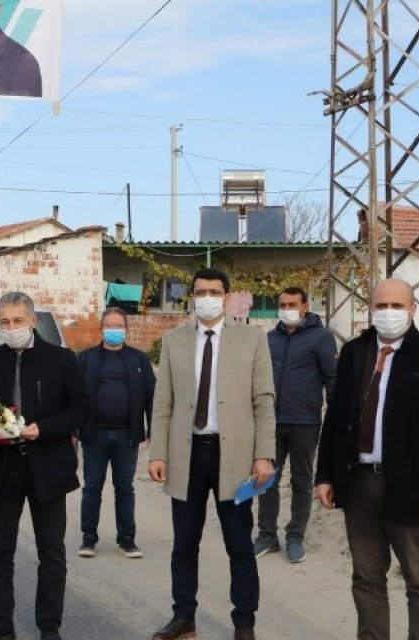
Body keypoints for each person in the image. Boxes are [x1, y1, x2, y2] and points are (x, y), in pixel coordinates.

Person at [315, 278, 419, 640]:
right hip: (359, 485)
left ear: (413, 310)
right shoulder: (355, 352)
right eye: (381, 306)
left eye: (396, 306)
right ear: (371, 309)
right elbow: (336, 417)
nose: (388, 313)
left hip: (414, 487)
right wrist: (326, 474)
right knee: (367, 578)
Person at [148, 268, 275, 640]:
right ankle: (183, 617)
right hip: (187, 457)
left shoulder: (252, 339)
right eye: (200, 291)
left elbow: (264, 401)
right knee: (184, 545)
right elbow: (163, 402)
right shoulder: (173, 341)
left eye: (214, 292)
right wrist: (158, 452)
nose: (207, 298)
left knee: (239, 546)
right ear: (191, 296)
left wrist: (263, 454)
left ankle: (244, 623)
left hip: (233, 459)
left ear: (227, 296)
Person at [0, 292, 89, 640]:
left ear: (33, 321)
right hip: (2, 467)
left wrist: (47, 428)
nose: (11, 328)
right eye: (4, 322)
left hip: (48, 466)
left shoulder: (62, 359)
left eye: (17, 321)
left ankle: (49, 626)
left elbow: (81, 408)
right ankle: (0, 623)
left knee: (51, 553)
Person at [253, 287, 336, 564]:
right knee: (266, 480)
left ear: (305, 306)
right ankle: (266, 535)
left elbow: (331, 379)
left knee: (301, 481)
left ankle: (295, 536)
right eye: (283, 304)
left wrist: (335, 417)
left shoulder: (322, 338)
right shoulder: (269, 339)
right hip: (270, 423)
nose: (287, 308)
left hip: (305, 422)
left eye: (292, 304)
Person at [75, 307, 155, 560]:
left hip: (127, 436)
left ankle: (127, 540)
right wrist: (73, 428)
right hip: (93, 435)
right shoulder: (85, 358)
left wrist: (153, 429)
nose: (114, 330)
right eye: (109, 325)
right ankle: (88, 539)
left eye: (118, 326)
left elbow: (153, 397)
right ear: (101, 329)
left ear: (126, 330)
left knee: (125, 489)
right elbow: (73, 396)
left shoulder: (139, 360)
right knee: (92, 488)